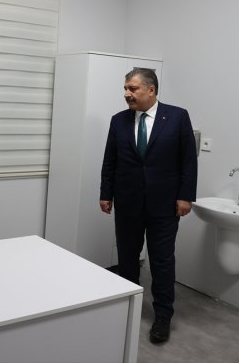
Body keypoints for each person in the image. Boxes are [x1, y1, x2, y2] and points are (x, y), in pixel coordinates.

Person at [99, 68, 197, 344]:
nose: (127, 93)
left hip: (164, 205)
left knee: (162, 261)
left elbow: (188, 160)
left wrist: (186, 196)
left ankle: (163, 316)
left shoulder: (177, 117)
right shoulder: (118, 120)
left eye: (132, 88)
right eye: (125, 88)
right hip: (127, 202)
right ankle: (127, 306)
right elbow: (110, 160)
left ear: (151, 90)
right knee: (127, 258)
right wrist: (106, 193)